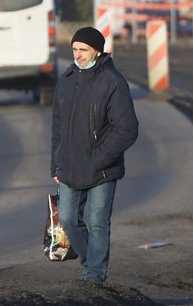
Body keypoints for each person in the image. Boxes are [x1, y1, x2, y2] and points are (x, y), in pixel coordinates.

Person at [51, 26, 139, 282]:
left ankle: (94, 275)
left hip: (102, 168)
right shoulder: (66, 79)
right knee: (68, 218)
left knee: (98, 222)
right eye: (75, 49)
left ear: (98, 52)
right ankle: (91, 262)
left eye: (84, 50)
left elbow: (127, 129)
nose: (78, 55)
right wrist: (56, 164)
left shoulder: (113, 82)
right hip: (69, 166)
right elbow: (57, 126)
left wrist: (98, 159)